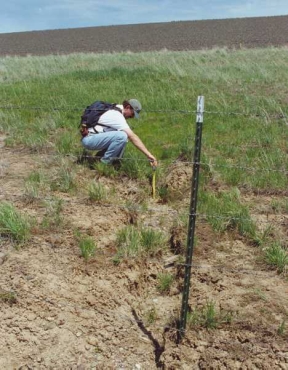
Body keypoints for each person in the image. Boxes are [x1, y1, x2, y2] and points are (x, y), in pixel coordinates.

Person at [81, 99, 157, 168]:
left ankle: (110, 161)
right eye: (132, 114)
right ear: (127, 107)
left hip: (94, 137)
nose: (132, 117)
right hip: (90, 139)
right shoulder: (117, 115)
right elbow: (132, 137)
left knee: (122, 136)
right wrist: (149, 155)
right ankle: (103, 164)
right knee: (122, 136)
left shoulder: (115, 107)